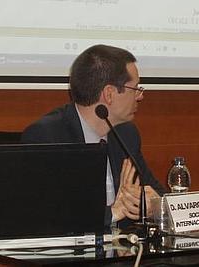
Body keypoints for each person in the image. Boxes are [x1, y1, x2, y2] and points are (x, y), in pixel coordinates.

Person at [21, 44, 165, 228]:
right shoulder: (47, 136)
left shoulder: (126, 134)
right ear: (109, 94)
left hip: (121, 251)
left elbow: (155, 191)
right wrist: (113, 213)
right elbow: (49, 214)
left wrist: (153, 204)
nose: (140, 97)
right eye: (136, 89)